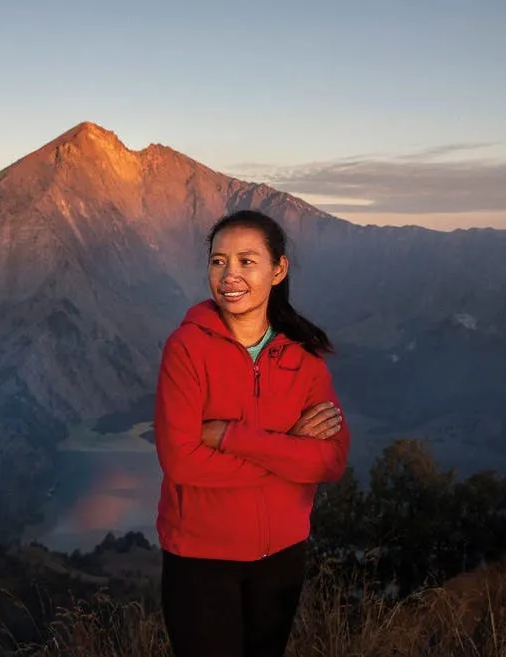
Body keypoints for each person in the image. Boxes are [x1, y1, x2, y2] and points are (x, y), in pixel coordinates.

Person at [154, 209, 351, 657]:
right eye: (219, 261)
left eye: (246, 261)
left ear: (277, 269)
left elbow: (332, 460)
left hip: (282, 557)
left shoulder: (304, 359)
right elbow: (181, 461)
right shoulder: (186, 348)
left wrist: (230, 437)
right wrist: (290, 454)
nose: (229, 275)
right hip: (201, 560)